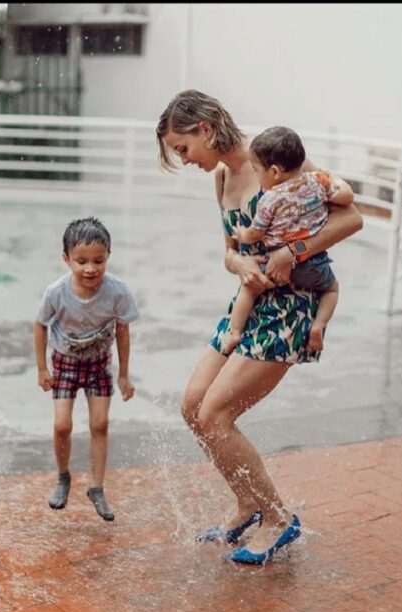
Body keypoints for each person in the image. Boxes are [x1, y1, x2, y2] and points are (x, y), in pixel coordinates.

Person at [156, 90, 364, 564]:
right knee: (193, 407)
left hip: (289, 308)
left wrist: (293, 252)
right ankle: (247, 504)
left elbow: (352, 217)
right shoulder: (222, 176)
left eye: (184, 148)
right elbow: (230, 251)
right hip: (248, 303)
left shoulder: (274, 157)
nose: (185, 160)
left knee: (215, 415)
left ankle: (277, 517)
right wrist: (236, 264)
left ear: (205, 129)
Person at [34, 217, 139, 521]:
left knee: (100, 423)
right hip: (65, 362)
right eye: (81, 261)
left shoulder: (117, 291)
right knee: (62, 424)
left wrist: (123, 374)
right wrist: (42, 368)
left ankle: (97, 487)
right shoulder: (56, 292)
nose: (90, 268)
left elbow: (123, 331)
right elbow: (40, 325)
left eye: (98, 261)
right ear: (66, 259)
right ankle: (63, 475)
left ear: (108, 257)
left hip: (98, 364)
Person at [221, 125, 353, 354]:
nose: (256, 176)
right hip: (313, 264)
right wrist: (334, 179)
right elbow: (346, 197)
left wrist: (242, 234)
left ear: (274, 172)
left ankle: (234, 332)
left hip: (274, 263)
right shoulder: (318, 181)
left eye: (256, 170)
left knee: (248, 289)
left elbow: (256, 233)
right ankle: (318, 326)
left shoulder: (269, 199)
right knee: (332, 289)